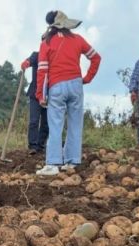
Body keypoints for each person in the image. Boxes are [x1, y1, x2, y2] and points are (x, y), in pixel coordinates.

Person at [35, 10, 101, 176]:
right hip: (76, 85)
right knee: (75, 124)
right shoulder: (78, 39)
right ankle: (71, 162)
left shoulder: (46, 43)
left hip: (57, 86)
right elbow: (96, 57)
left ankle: (53, 163)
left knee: (56, 125)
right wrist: (87, 78)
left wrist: (40, 95)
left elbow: (42, 71)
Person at [21, 47, 49, 155]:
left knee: (46, 123)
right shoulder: (36, 55)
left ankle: (40, 145)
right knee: (34, 121)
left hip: (49, 94)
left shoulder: (54, 57)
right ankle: (32, 146)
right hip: (35, 95)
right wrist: (25, 64)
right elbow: (28, 61)